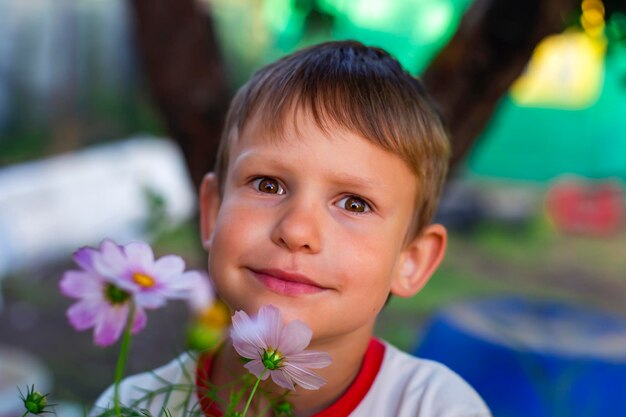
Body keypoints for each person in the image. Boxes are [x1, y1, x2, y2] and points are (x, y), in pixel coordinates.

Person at [94, 40, 490, 417]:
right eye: (268, 184)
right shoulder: (131, 405)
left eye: (354, 203)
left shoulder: (439, 408)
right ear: (213, 212)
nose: (297, 231)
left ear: (411, 261)